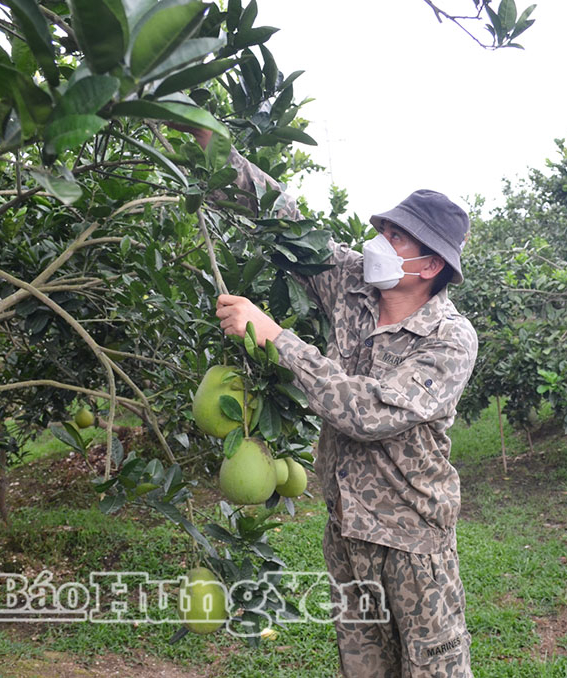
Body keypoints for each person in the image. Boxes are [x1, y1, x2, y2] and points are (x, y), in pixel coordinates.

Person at [195, 128, 478, 676]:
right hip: (346, 528)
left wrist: (275, 336)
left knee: (432, 667)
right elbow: (285, 217)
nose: (379, 243)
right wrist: (204, 139)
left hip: (413, 538)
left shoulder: (450, 337)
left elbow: (371, 412)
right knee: (363, 664)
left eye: (398, 237)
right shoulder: (351, 283)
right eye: (385, 229)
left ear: (430, 266)